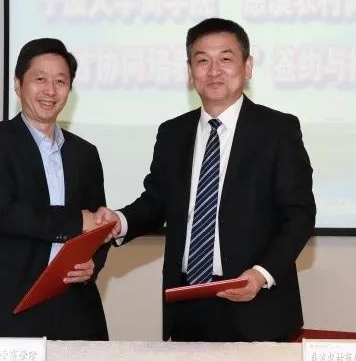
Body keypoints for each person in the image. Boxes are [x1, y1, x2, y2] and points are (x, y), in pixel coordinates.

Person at [100, 18, 315, 342]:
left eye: (226, 59)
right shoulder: (173, 133)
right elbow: (156, 202)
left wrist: (262, 274)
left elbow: (299, 215)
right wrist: (119, 221)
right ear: (190, 72)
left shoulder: (277, 130)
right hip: (188, 302)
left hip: (257, 304)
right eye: (202, 61)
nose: (214, 70)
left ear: (247, 67)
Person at [0, 38, 111, 340]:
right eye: (40, 79)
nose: (50, 90)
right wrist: (78, 220)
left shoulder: (85, 153)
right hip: (7, 309)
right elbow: (4, 214)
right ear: (18, 84)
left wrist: (93, 263)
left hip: (75, 310)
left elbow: (97, 226)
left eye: (60, 81)